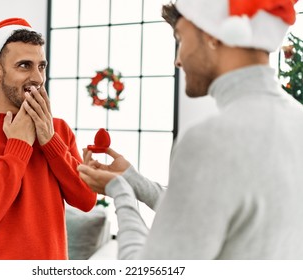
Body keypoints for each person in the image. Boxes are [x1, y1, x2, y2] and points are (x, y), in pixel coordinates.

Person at [77, 0, 303, 259]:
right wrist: (133, 181)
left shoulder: (211, 140)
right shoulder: (297, 120)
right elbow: (205, 212)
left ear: (212, 37)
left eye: (180, 38)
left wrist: (120, 192)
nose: (178, 60)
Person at [0, 18, 96, 260]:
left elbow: (86, 200)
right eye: (24, 65)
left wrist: (51, 142)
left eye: (41, 66)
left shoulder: (58, 129)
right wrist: (18, 147)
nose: (37, 78)